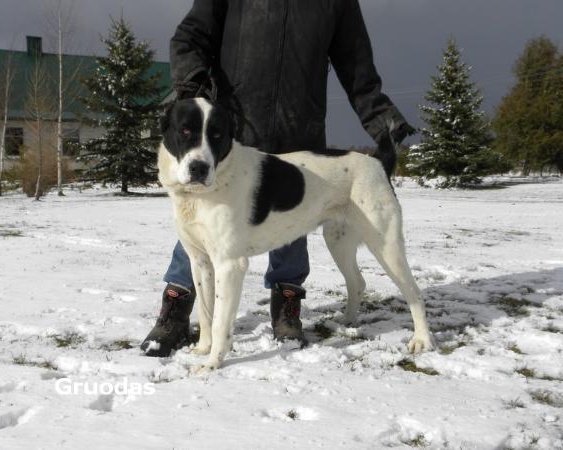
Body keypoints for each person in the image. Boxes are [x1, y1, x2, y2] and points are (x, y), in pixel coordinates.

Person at [141, 0, 415, 357]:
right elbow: (190, 37)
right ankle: (177, 304)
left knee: (294, 225)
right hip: (231, 132)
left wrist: (383, 121)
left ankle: (287, 302)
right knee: (200, 225)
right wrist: (194, 93)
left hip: (299, 128)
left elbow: (356, 65)